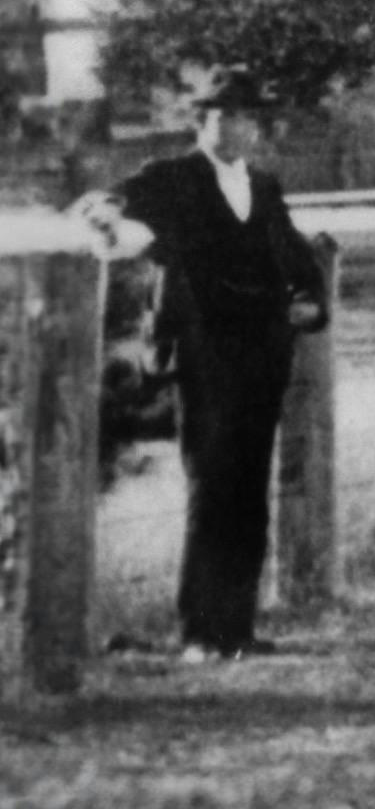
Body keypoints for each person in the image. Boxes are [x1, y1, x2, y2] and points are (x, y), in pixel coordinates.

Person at [72, 74, 329, 661]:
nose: (231, 126)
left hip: (263, 352)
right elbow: (112, 204)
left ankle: (238, 628)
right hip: (204, 353)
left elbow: (294, 253)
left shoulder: (263, 187)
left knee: (248, 488)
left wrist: (311, 302)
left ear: (255, 127)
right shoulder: (172, 178)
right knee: (210, 484)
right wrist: (106, 213)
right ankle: (199, 631)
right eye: (219, 116)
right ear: (200, 122)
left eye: (242, 117)